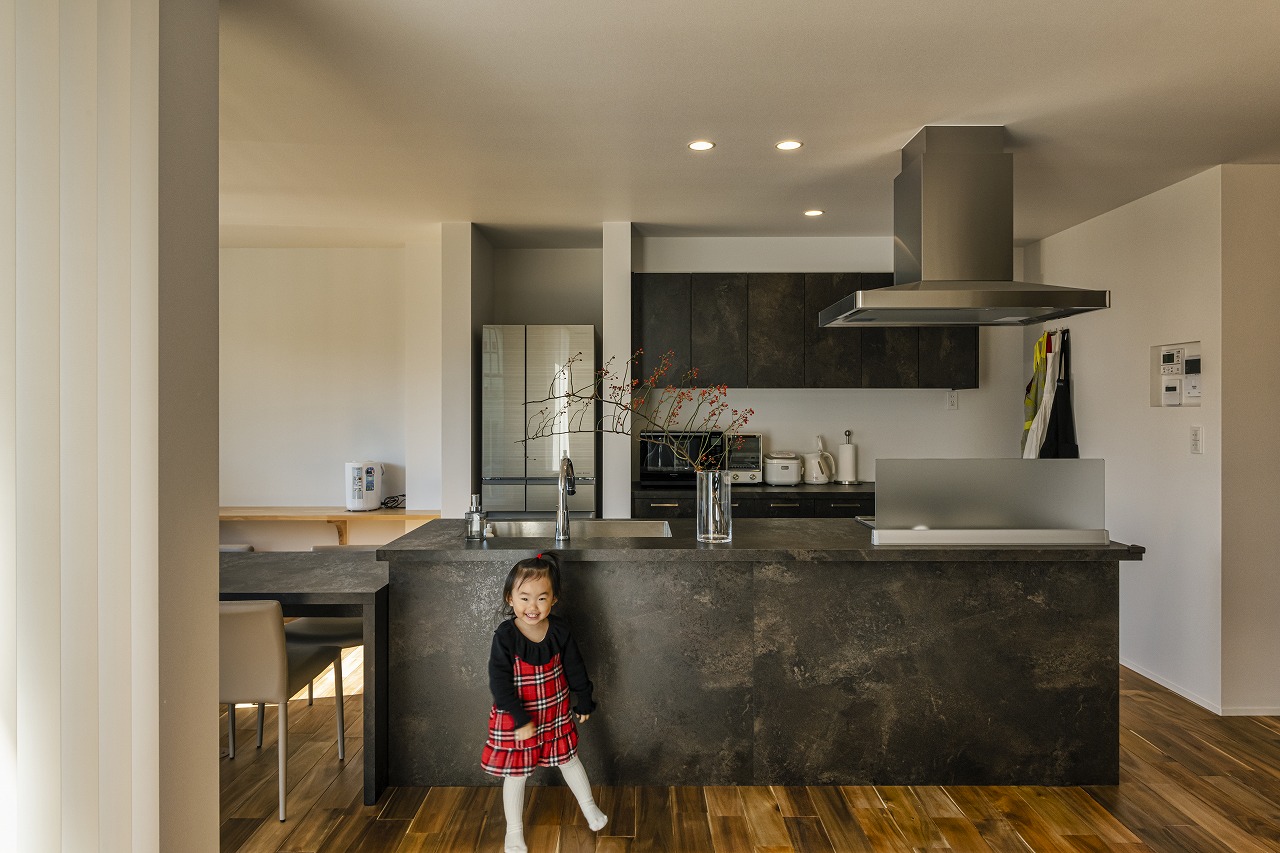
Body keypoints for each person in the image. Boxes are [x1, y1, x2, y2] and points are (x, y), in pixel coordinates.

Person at [482, 552, 608, 852]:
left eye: (541, 598)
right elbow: (499, 682)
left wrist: (584, 698)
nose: (533, 606)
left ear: (554, 599)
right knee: (517, 775)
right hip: (518, 717)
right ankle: (514, 832)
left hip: (554, 711)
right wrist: (519, 718)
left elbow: (575, 666)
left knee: (569, 759)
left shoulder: (560, 630)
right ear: (510, 599)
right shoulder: (505, 636)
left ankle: (589, 807)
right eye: (524, 598)